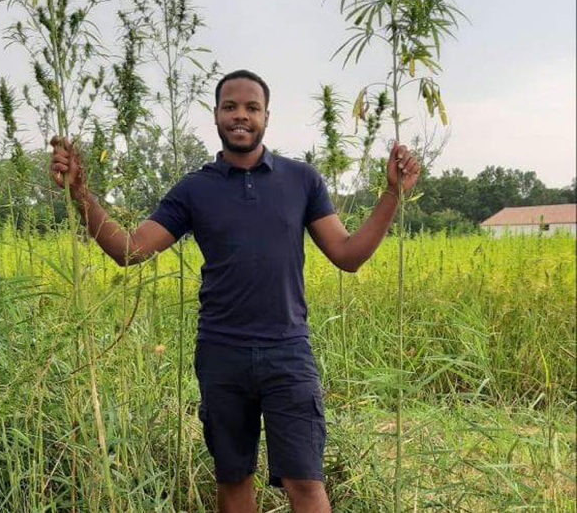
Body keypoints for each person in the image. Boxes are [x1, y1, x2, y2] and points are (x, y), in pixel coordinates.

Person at [49, 69, 421, 513]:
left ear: (267, 116)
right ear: (216, 115)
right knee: (233, 478)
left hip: (288, 351)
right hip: (222, 352)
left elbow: (348, 254)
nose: (240, 116)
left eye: (251, 107)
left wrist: (392, 195)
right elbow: (130, 250)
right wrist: (81, 194)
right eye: (231, 107)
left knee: (306, 483)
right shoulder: (194, 189)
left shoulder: (301, 180)